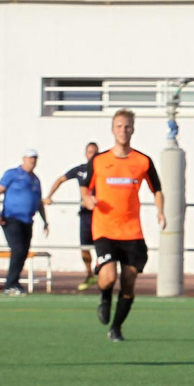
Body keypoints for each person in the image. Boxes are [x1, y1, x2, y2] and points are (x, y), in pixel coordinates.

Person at [80, 110, 165, 342]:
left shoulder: (143, 161)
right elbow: (85, 186)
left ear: (133, 129)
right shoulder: (99, 160)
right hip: (105, 229)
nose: (123, 131)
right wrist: (87, 199)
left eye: (127, 127)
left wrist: (160, 211)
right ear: (112, 129)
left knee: (129, 282)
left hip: (132, 231)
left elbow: (157, 189)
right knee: (108, 277)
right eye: (119, 126)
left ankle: (116, 327)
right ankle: (105, 296)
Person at [44, 142, 101, 291]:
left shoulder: (103, 169)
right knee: (84, 246)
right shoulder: (80, 170)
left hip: (101, 214)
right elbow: (60, 179)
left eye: (95, 152)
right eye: (89, 152)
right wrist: (49, 196)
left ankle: (101, 272)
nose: (92, 155)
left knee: (102, 245)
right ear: (85, 154)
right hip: (85, 214)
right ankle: (89, 275)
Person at [0, 149, 48, 296]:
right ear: (24, 159)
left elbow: (39, 202)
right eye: (30, 158)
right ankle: (10, 284)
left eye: (35, 159)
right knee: (17, 249)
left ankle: (14, 282)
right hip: (12, 218)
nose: (32, 161)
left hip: (27, 220)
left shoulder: (35, 179)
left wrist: (45, 221)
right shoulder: (12, 174)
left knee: (23, 252)